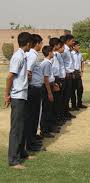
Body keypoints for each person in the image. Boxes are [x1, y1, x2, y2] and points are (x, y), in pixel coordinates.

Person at [4, 32, 34, 169]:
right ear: (28, 43)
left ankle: (22, 153)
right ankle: (13, 160)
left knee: (23, 126)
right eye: (31, 43)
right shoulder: (18, 56)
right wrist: (6, 95)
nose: (32, 45)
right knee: (16, 129)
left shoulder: (23, 55)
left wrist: (26, 77)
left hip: (23, 95)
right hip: (18, 97)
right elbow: (10, 77)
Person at [25, 34, 44, 152]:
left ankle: (32, 140)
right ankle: (30, 143)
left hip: (35, 88)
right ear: (36, 43)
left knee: (34, 116)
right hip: (33, 89)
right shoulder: (32, 55)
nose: (41, 45)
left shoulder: (33, 55)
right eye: (41, 43)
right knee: (32, 117)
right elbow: (28, 72)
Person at [40, 46, 58, 138]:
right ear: (49, 53)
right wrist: (49, 92)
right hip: (47, 87)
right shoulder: (46, 63)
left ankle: (49, 127)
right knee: (46, 109)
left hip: (50, 85)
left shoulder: (47, 63)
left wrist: (54, 84)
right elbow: (45, 79)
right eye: (52, 52)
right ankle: (44, 130)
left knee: (49, 108)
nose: (53, 53)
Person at [49, 38, 66, 125]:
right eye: (59, 45)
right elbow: (53, 69)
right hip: (55, 78)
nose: (60, 46)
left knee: (59, 100)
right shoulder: (52, 55)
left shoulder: (56, 55)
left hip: (58, 78)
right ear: (55, 45)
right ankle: (55, 120)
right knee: (56, 101)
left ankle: (58, 118)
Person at [62, 34, 76, 119]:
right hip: (66, 75)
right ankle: (64, 113)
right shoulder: (64, 50)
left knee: (68, 95)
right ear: (67, 41)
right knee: (65, 96)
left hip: (70, 74)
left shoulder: (68, 50)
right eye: (72, 41)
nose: (73, 42)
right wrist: (65, 73)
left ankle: (66, 112)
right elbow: (61, 63)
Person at [71, 41, 87, 110]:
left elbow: (82, 62)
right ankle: (73, 105)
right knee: (72, 90)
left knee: (80, 89)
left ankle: (79, 104)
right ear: (73, 46)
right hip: (73, 72)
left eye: (79, 45)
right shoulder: (71, 54)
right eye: (77, 45)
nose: (79, 47)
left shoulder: (80, 54)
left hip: (78, 72)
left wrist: (82, 71)